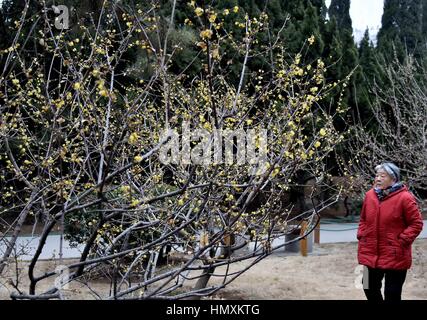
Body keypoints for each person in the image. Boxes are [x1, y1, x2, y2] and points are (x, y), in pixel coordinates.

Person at [357, 162, 423, 301]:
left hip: (395, 253)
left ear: (393, 179)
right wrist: (362, 234)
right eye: (377, 175)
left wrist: (402, 240)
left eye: (383, 175)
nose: (378, 179)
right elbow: (363, 219)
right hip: (371, 252)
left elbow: (416, 223)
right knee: (367, 285)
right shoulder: (370, 195)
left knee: (392, 294)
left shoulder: (405, 197)